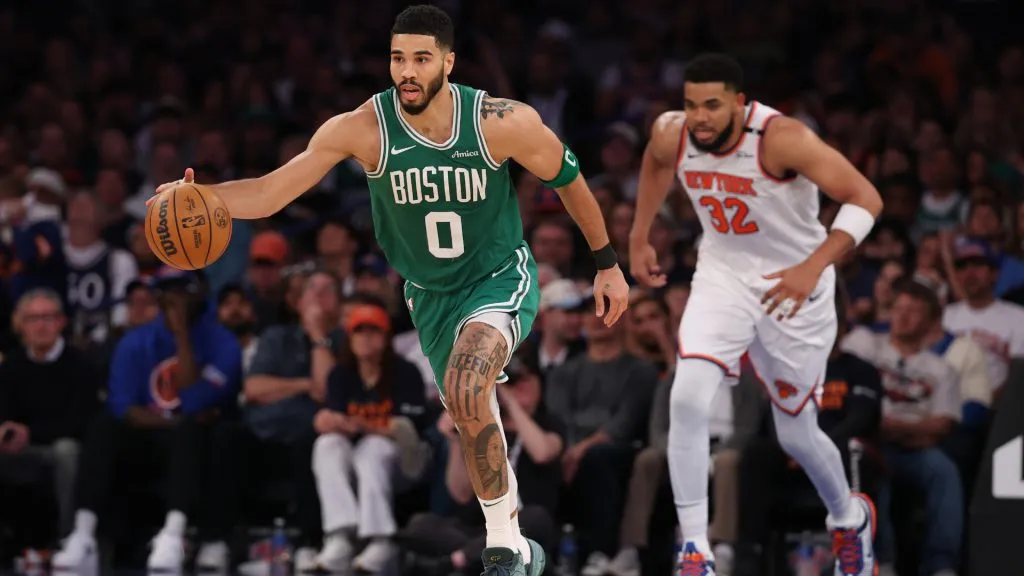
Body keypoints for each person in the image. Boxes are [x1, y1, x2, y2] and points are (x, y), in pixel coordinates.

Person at [153, 6, 629, 574]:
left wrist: (606, 264)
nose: (406, 70)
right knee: (464, 403)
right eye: (398, 57)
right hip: (428, 293)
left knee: (468, 378)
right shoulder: (361, 127)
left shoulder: (501, 121)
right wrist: (206, 199)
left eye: (421, 59)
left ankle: (502, 543)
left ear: (448, 63)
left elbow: (570, 180)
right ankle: (521, 547)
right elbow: (271, 192)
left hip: (497, 277)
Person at [628, 53, 884, 574]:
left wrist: (813, 267)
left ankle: (848, 518)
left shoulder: (781, 138)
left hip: (794, 286)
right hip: (723, 276)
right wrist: (639, 234)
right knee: (688, 395)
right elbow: (656, 164)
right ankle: (695, 549)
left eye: (713, 105)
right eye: (691, 104)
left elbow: (866, 198)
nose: (700, 116)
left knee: (796, 433)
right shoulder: (672, 133)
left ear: (740, 105)